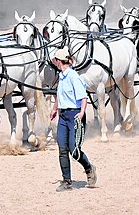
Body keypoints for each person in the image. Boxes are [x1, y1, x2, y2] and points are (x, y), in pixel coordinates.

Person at [50, 46, 97, 192]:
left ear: (59, 61)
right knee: (62, 149)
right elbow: (60, 94)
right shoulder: (62, 77)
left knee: (74, 150)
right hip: (63, 116)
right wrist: (55, 108)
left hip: (75, 115)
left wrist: (82, 112)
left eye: (56, 60)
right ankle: (67, 181)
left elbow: (83, 97)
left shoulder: (73, 77)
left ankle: (89, 168)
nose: (55, 63)